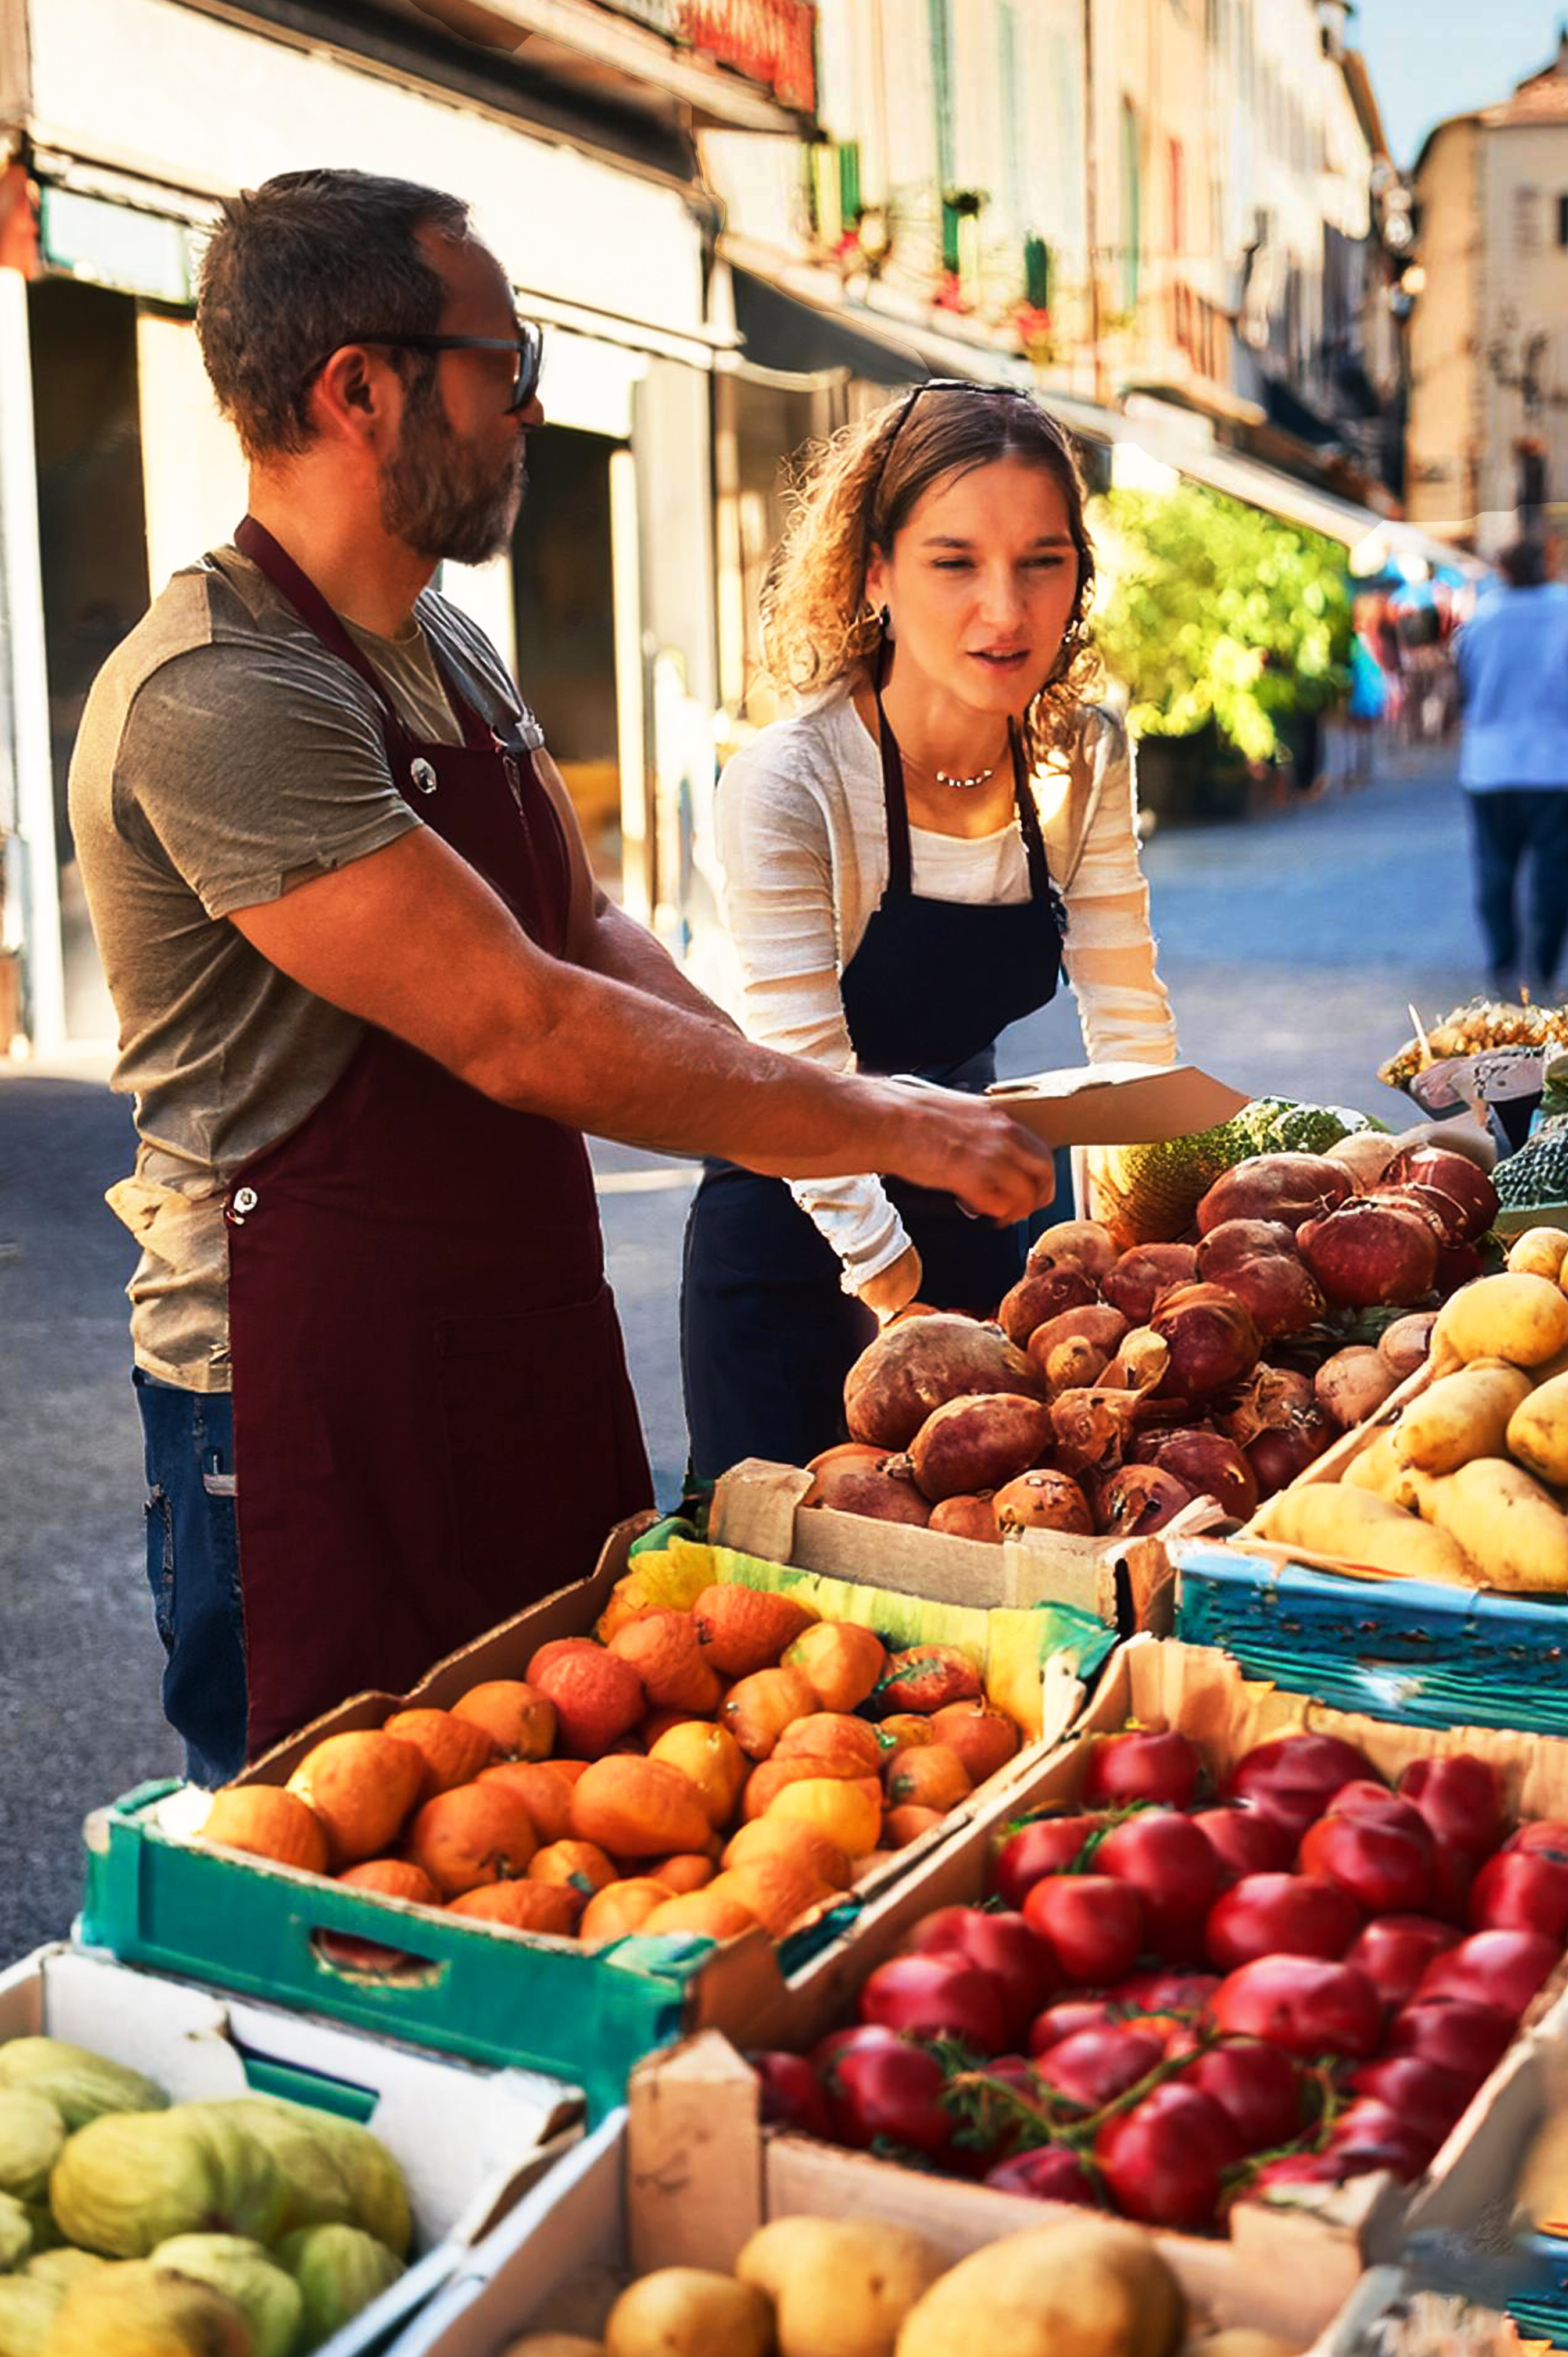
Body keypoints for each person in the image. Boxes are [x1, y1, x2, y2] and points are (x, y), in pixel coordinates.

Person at [67, 171, 1052, 1783]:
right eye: (507, 368)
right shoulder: (221, 692)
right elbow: (517, 1024)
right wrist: (883, 1124)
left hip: (510, 1336)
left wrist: (786, 1110)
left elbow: (585, 936)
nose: (533, 412)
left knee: (575, 1808)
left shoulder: (442, 645)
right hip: (313, 1401)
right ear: (361, 387)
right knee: (332, 1869)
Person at [681, 381, 1176, 1479]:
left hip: (976, 1220)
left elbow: (1129, 1020)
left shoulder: (1079, 758)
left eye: (1042, 562)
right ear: (875, 572)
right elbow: (802, 1075)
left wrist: (1156, 1242)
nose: (1005, 611)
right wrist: (903, 1307)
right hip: (799, 1236)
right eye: (954, 563)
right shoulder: (792, 782)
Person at [1454, 539, 1568, 996]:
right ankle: (1544, 966)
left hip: (1490, 761)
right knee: (1555, 869)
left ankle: (1503, 964)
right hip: (1558, 759)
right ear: (1547, 563)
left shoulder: (1483, 615)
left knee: (1495, 870)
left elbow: (1464, 682)